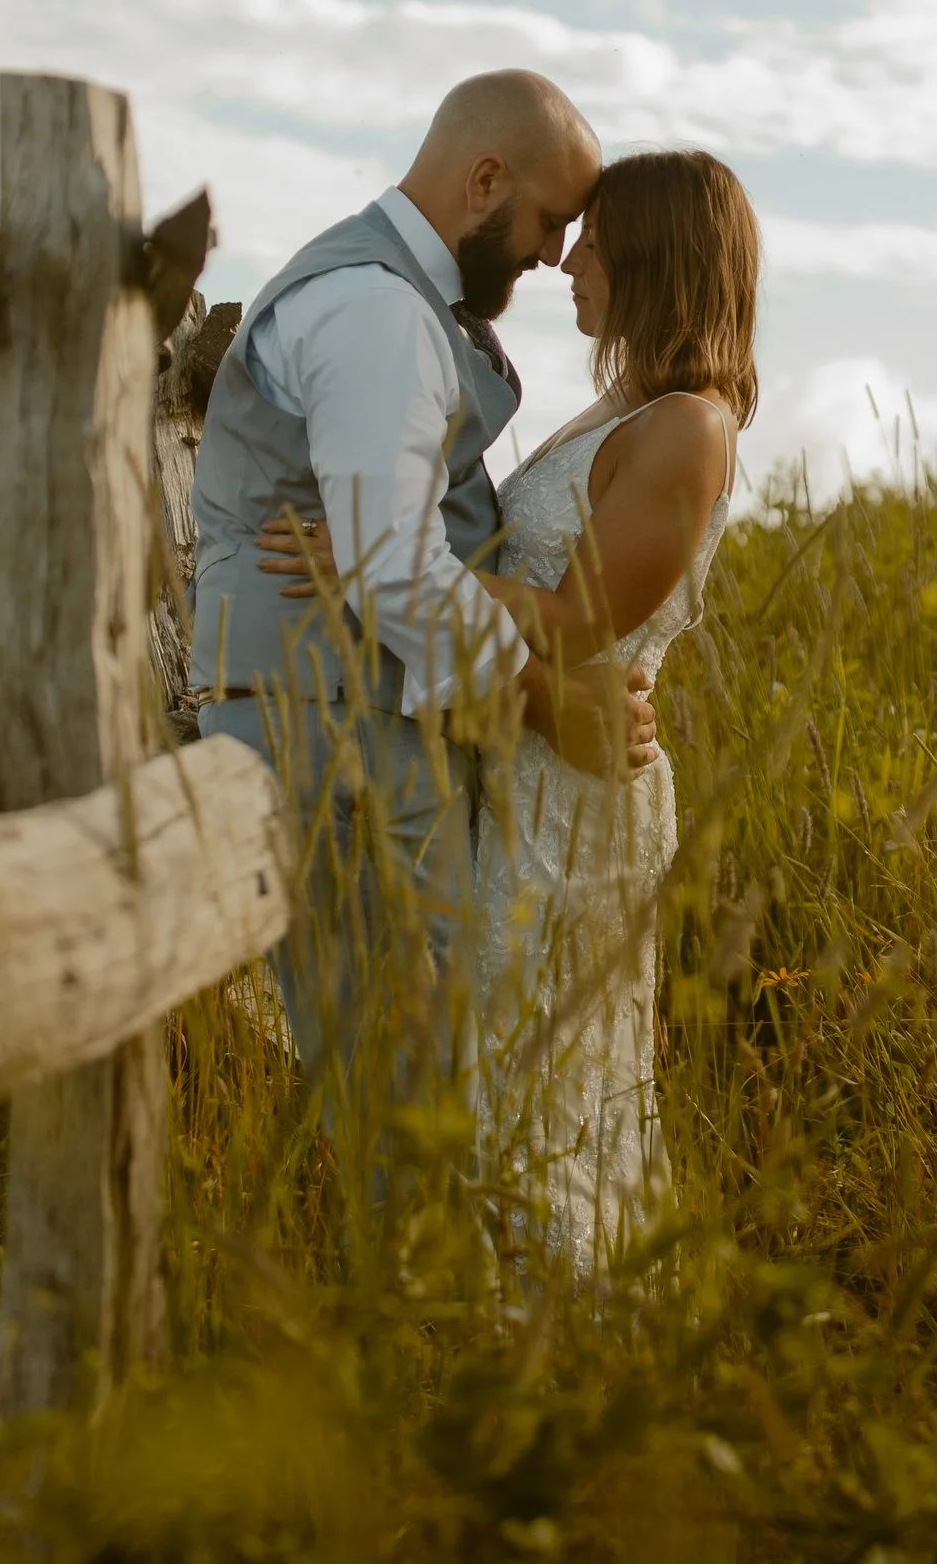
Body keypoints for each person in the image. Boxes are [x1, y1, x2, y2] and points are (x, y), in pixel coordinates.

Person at [262, 145, 757, 1274]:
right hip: (529, 765)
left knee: (541, 1097)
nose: (567, 260)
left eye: (594, 240)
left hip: (580, 800)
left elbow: (580, 621)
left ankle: (580, 1343)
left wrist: (378, 559)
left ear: (657, 254)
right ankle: (528, 1352)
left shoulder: (690, 425)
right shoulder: (625, 406)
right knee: (505, 1087)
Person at [189, 70, 658, 1164]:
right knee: (405, 1109)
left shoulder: (388, 301)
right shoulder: (377, 311)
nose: (553, 253)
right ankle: (415, 1332)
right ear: (484, 179)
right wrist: (544, 701)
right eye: (548, 220)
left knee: (425, 1090)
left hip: (358, 722)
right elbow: (390, 560)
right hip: (336, 735)